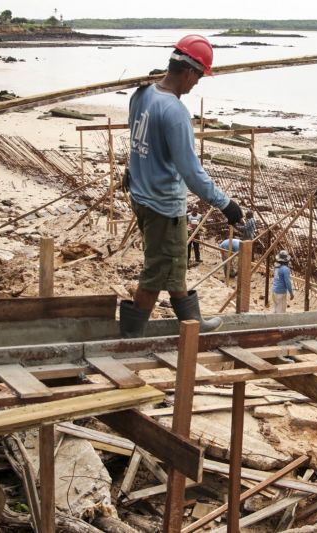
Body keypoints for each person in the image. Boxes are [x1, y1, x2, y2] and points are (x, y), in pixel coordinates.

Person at [120, 34, 243, 338]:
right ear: (188, 72)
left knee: (173, 267)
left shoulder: (141, 95)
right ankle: (130, 336)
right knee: (157, 271)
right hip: (164, 205)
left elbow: (137, 141)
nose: (196, 84)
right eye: (198, 78)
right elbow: (190, 171)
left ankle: (193, 323)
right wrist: (224, 203)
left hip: (142, 197)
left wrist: (130, 170)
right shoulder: (174, 111)